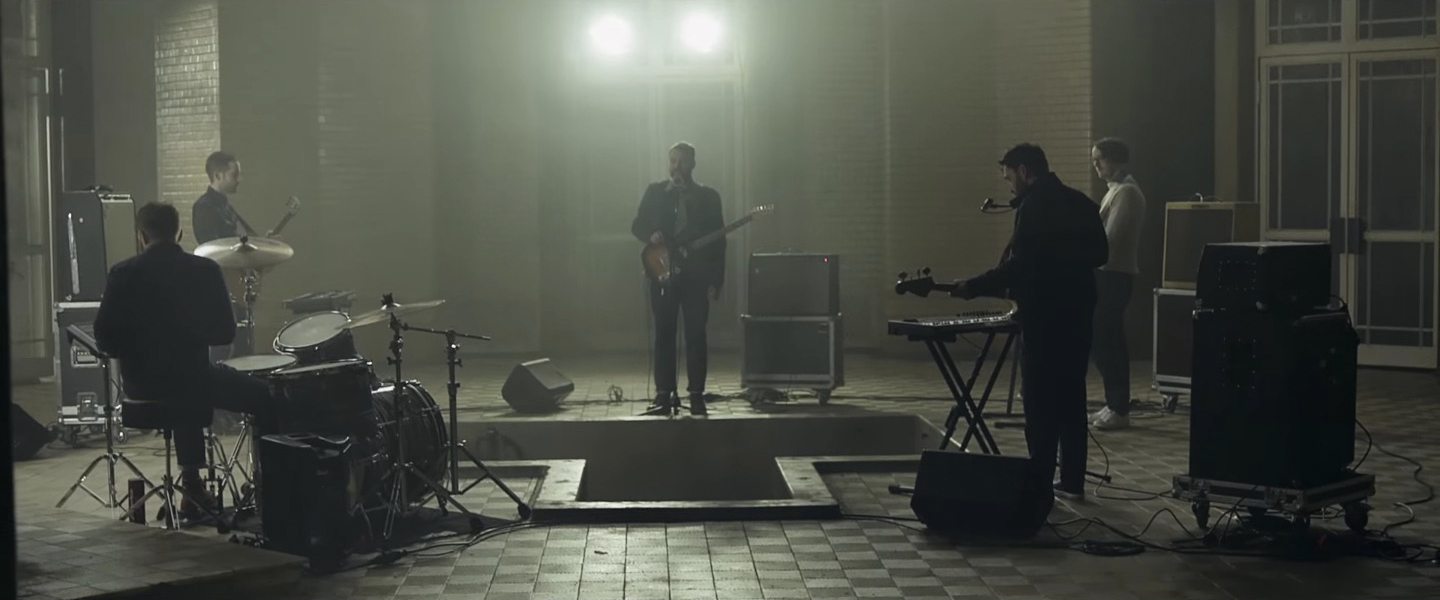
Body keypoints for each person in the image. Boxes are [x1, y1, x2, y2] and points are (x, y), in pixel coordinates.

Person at [94, 202, 277, 520]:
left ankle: (193, 487)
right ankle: (269, 487)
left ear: (141, 235)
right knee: (265, 396)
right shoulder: (204, 270)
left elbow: (104, 340)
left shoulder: (122, 274)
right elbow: (224, 333)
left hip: (141, 388)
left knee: (182, 390)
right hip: (193, 381)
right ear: (178, 232)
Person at [950, 143, 1108, 500]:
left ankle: (1039, 482)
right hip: (1079, 314)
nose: (1009, 187)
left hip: (1043, 317)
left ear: (1024, 171)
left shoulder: (1034, 207)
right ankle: (1072, 481)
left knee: (1039, 403)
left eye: (1009, 178)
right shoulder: (1081, 202)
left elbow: (1019, 265)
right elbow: (1101, 254)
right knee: (1072, 397)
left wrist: (973, 287)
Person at [631, 142, 726, 416]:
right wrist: (651, 234)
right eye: (673, 161)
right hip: (663, 274)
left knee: (696, 334)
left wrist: (716, 280)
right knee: (664, 334)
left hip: (696, 277)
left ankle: (696, 394)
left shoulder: (708, 197)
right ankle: (663, 394)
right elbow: (637, 225)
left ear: (693, 164)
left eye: (682, 162)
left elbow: (719, 242)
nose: (677, 167)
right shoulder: (655, 193)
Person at [1088, 138, 1146, 430]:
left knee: (1106, 340)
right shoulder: (1115, 191)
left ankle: (1119, 406)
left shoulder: (1126, 193)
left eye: (1099, 159)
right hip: (1108, 274)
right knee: (1106, 339)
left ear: (1113, 159)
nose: (1095, 164)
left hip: (1115, 275)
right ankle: (1114, 403)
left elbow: (1109, 239)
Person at [192, 151, 255, 246]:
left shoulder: (224, 204)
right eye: (234, 175)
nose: (239, 179)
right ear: (218, 176)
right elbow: (211, 247)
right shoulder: (203, 207)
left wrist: (265, 241)